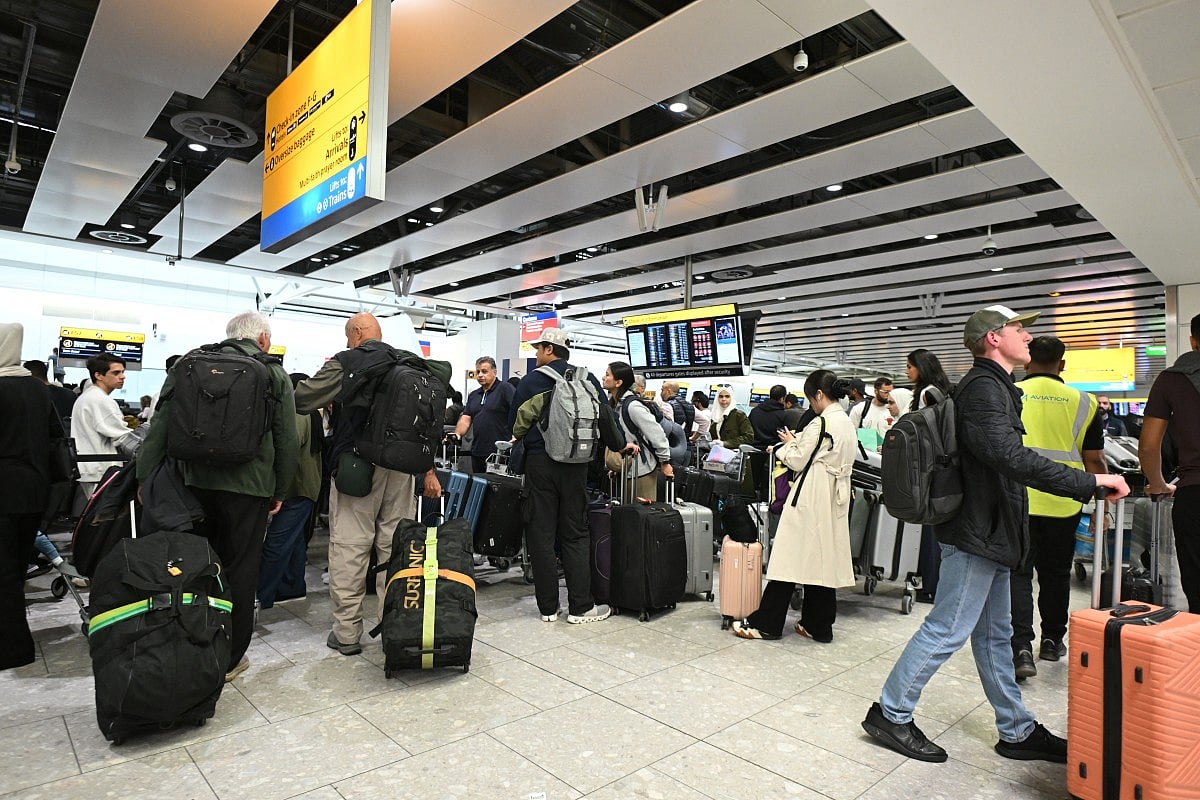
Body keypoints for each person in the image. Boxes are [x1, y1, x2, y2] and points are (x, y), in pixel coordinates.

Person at [862, 304, 1130, 765]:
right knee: (947, 627)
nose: (1027, 337)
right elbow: (1010, 457)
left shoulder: (997, 387)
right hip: (977, 530)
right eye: (1019, 329)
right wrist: (1088, 481)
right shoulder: (985, 389)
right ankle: (891, 712)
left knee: (994, 634)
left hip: (991, 527)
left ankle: (1016, 728)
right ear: (993, 338)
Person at [138, 311, 298, 682]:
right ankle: (230, 658)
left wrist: (146, 479)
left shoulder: (188, 365)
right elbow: (286, 439)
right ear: (262, 340)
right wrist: (279, 490)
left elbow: (160, 425)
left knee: (193, 565)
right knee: (241, 571)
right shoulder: (273, 374)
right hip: (250, 488)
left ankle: (189, 642)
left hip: (193, 484)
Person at [295, 312, 444, 655]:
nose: (348, 343)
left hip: (356, 468)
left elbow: (304, 399)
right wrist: (428, 470)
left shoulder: (349, 361)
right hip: (403, 471)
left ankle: (347, 633)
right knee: (395, 548)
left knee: (350, 546)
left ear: (358, 333)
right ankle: (391, 626)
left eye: (349, 336)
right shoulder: (410, 363)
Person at [732, 370, 855, 643]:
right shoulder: (845, 422)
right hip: (836, 494)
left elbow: (799, 460)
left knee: (789, 558)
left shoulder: (820, 423)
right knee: (822, 560)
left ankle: (767, 624)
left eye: (812, 399)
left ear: (820, 395)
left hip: (812, 493)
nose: (811, 404)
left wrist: (783, 447)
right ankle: (819, 625)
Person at [1010, 336, 1106, 679]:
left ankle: (1020, 647)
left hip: (1018, 500)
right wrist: (1102, 508)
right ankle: (1052, 640)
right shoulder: (1084, 402)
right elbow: (1093, 460)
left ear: (1026, 361)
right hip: (1065, 502)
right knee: (1055, 575)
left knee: (1018, 575)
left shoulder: (1011, 394)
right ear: (1061, 364)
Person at [510, 328, 610, 624]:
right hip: (577, 464)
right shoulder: (587, 379)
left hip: (541, 464)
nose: (537, 354)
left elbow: (515, 425)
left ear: (550, 349)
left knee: (541, 535)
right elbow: (605, 416)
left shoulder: (531, 381)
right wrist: (620, 446)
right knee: (575, 533)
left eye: (539, 349)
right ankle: (581, 607)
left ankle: (548, 609)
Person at [1, 324, 63, 670]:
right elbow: (56, 439)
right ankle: (16, 642)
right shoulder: (39, 391)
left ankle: (13, 648)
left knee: (4, 573)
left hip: (4, 492)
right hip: (34, 494)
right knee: (14, 568)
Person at [1139, 311, 1200, 613]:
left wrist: (1157, 482)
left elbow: (1149, 446)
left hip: (1195, 494)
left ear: (1193, 342)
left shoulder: (1171, 380)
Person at [257, 373, 323, 609]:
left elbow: (289, 449)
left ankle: (260, 597)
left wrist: (277, 488)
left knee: (275, 544)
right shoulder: (311, 413)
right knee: (292, 541)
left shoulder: (296, 412)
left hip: (294, 489)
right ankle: (292, 588)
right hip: (306, 488)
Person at [605, 361, 673, 501]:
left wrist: (665, 462)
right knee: (629, 516)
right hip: (628, 469)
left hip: (642, 471)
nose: (603, 378)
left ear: (618, 382)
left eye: (607, 375)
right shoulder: (616, 404)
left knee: (643, 516)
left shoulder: (633, 406)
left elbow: (657, 434)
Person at [71, 353, 132, 497]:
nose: (122, 376)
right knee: (104, 517)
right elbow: (122, 437)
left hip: (93, 470)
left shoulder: (88, 396)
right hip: (101, 471)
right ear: (98, 375)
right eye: (116, 372)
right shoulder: (100, 400)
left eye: (123, 372)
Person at [455, 356, 515, 473]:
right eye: (478, 372)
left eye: (484, 371)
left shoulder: (505, 389)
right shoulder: (474, 395)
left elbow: (518, 411)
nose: (480, 375)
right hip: (477, 451)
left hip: (500, 452)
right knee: (479, 486)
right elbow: (466, 419)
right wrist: (457, 434)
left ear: (494, 372)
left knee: (497, 488)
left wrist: (516, 435)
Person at [748, 384, 789, 449]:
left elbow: (748, 431)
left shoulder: (754, 411)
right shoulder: (784, 415)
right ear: (782, 399)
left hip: (752, 449)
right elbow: (783, 436)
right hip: (771, 452)